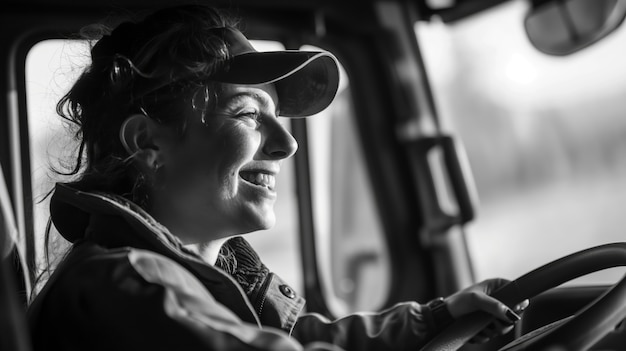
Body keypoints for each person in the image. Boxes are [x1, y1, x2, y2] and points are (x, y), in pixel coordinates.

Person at [27, 4, 526, 351]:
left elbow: (296, 340)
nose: (286, 144)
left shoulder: (193, 280)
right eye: (247, 114)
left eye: (279, 119)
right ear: (148, 144)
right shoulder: (126, 289)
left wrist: (435, 319)